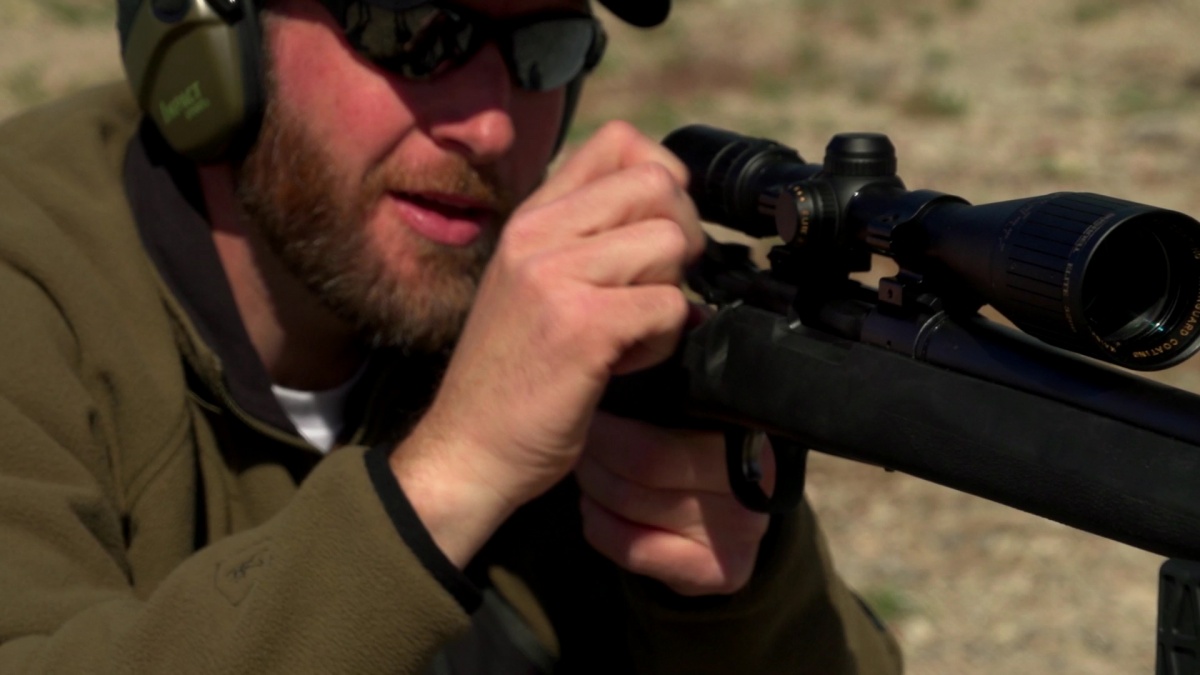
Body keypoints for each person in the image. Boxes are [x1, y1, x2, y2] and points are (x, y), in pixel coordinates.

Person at [0, 0, 903, 671]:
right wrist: (452, 473)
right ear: (208, 34)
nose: (493, 122)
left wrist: (724, 588)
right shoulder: (31, 281)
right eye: (412, 29)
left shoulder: (544, 310)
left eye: (542, 46)